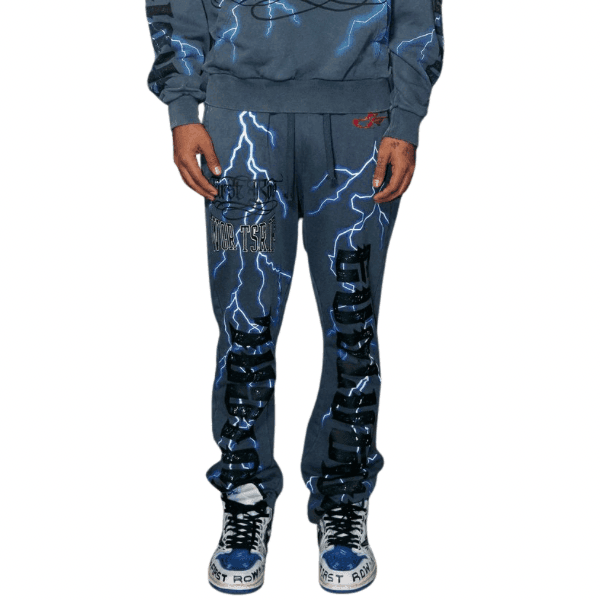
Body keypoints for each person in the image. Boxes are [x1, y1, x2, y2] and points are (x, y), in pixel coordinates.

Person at [144, 0, 444, 593]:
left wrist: (407, 118)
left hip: (361, 127)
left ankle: (343, 498)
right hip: (240, 129)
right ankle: (245, 494)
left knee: (352, 325)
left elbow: (417, 7)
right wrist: (182, 108)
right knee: (245, 325)